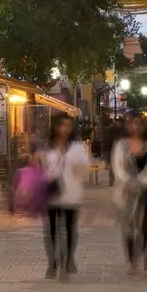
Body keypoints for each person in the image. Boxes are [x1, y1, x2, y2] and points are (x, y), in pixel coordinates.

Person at [40, 114, 90, 279]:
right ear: (54, 127)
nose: (64, 129)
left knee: (70, 229)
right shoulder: (48, 147)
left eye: (68, 125)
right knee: (52, 230)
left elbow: (85, 169)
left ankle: (68, 260)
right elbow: (41, 168)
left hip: (71, 192)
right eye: (61, 125)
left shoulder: (76, 147)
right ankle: (53, 262)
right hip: (51, 193)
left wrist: (79, 168)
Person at [112, 111, 147, 275]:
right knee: (129, 227)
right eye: (130, 123)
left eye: (137, 123)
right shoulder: (121, 145)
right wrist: (127, 181)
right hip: (127, 192)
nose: (134, 126)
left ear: (143, 125)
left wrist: (141, 181)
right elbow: (118, 167)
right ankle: (132, 262)